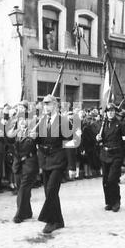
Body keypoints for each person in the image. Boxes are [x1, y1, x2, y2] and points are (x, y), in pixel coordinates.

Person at [37, 94, 79, 233]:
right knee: (49, 192)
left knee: (51, 191)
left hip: (58, 160)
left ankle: (49, 221)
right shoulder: (42, 121)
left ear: (55, 105)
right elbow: (38, 141)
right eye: (44, 104)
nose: (46, 106)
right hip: (45, 160)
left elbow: (70, 144)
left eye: (48, 104)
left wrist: (72, 167)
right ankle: (58, 220)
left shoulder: (64, 122)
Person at [96, 103, 125, 212]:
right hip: (105, 155)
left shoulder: (121, 124)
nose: (110, 113)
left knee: (112, 179)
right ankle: (109, 202)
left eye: (112, 111)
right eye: (108, 111)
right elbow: (101, 140)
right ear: (106, 113)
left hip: (116, 155)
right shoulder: (103, 125)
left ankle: (116, 201)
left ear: (115, 112)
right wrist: (98, 138)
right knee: (105, 180)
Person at [7, 116, 38, 223]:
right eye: (20, 120)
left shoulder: (33, 132)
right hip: (18, 164)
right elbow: (8, 140)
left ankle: (19, 214)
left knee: (23, 189)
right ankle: (27, 211)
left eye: (25, 120)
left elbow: (38, 144)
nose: (22, 122)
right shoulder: (15, 133)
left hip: (29, 163)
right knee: (21, 187)